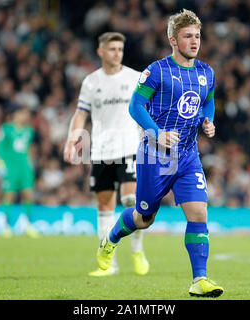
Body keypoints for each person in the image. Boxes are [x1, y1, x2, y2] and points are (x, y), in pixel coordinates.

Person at [95, 10, 224, 297]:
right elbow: (135, 107)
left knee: (199, 212)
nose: (194, 41)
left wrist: (208, 120)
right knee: (144, 217)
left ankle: (199, 280)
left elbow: (208, 102)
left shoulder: (207, 73)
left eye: (198, 36)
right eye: (188, 36)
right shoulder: (156, 71)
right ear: (173, 40)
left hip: (188, 155)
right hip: (154, 155)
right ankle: (112, 237)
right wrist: (157, 133)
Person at [64, 32, 150, 277]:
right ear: (100, 52)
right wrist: (73, 138)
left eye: (120, 49)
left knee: (132, 201)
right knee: (104, 205)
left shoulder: (135, 78)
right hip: (101, 150)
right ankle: (109, 263)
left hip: (130, 147)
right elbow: (81, 113)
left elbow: (147, 109)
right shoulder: (91, 82)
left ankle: (137, 249)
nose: (117, 53)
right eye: (112, 49)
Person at [0, 105, 40, 238]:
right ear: (16, 114)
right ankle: (6, 225)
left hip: (25, 168)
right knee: (9, 195)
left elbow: (30, 148)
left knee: (28, 194)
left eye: (26, 114)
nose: (25, 116)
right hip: (11, 168)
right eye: (23, 113)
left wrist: (31, 162)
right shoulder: (6, 129)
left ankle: (28, 224)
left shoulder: (29, 131)